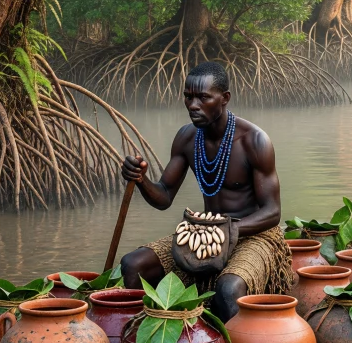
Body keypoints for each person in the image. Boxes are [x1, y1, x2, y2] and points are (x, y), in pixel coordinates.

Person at [119, 62, 293, 320]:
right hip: (204, 232)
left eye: (203, 97)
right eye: (188, 97)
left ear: (225, 98)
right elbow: (164, 196)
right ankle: (138, 332)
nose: (193, 105)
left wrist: (228, 231)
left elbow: (272, 212)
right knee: (133, 264)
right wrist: (141, 179)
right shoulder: (187, 138)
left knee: (228, 288)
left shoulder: (254, 140)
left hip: (254, 235)